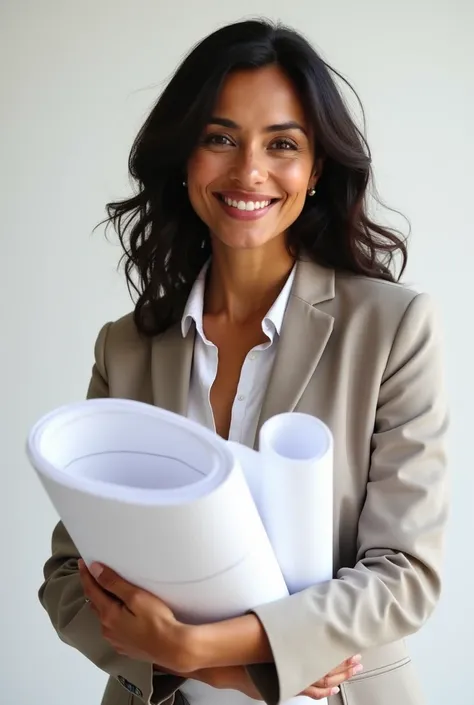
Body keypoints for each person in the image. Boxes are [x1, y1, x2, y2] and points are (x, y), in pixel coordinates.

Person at [38, 18, 448, 705]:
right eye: (220, 137)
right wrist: (209, 668)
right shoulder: (126, 348)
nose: (248, 170)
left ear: (316, 168)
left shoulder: (393, 326)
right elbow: (68, 577)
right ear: (186, 158)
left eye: (281, 143)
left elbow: (404, 575)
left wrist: (197, 643)